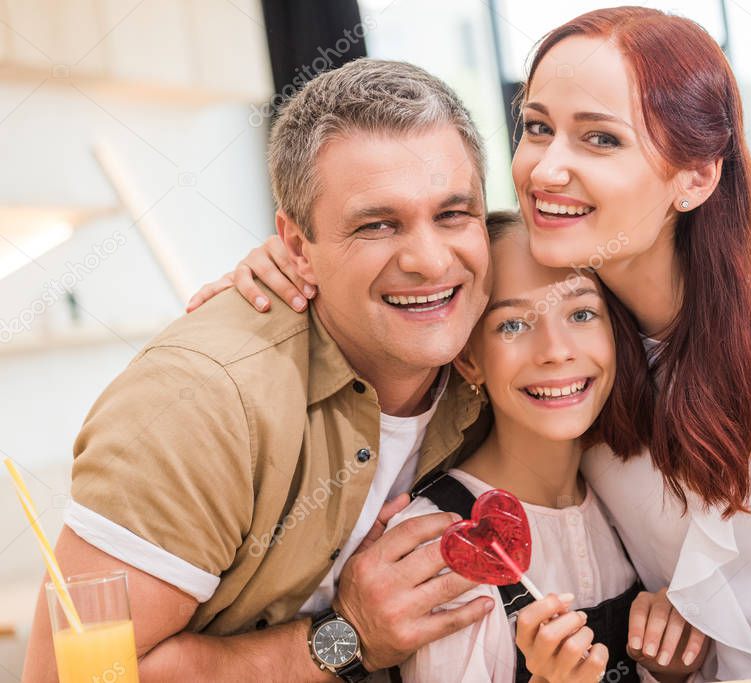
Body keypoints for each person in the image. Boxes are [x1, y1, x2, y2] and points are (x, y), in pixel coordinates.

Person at [191, 7, 751, 681]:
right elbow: (396, 283)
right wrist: (284, 273)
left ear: (694, 178)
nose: (547, 168)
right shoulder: (564, 343)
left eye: (599, 139)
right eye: (536, 126)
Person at [23, 59, 499, 682]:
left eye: (452, 214)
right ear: (297, 248)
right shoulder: (200, 401)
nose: (430, 260)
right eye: (376, 224)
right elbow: (72, 679)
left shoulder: (515, 339)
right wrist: (346, 638)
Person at [387, 210, 706, 682]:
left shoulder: (625, 497)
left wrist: (667, 674)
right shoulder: (438, 542)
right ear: (470, 361)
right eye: (512, 325)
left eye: (581, 314)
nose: (556, 349)